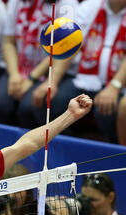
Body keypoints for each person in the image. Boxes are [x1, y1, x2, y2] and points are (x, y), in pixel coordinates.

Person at [29, 0, 126, 141]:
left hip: (119, 85)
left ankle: (111, 157)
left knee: (107, 111)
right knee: (49, 99)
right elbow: (68, 45)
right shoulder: (88, 6)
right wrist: (53, 81)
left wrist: (114, 86)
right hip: (85, 79)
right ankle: (66, 153)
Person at [0, 0, 78, 128]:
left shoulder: (67, 4)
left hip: (49, 69)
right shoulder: (15, 2)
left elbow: (62, 48)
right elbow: (9, 42)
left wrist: (31, 79)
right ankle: (8, 146)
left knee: (28, 108)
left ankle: (31, 146)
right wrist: (14, 75)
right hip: (19, 68)